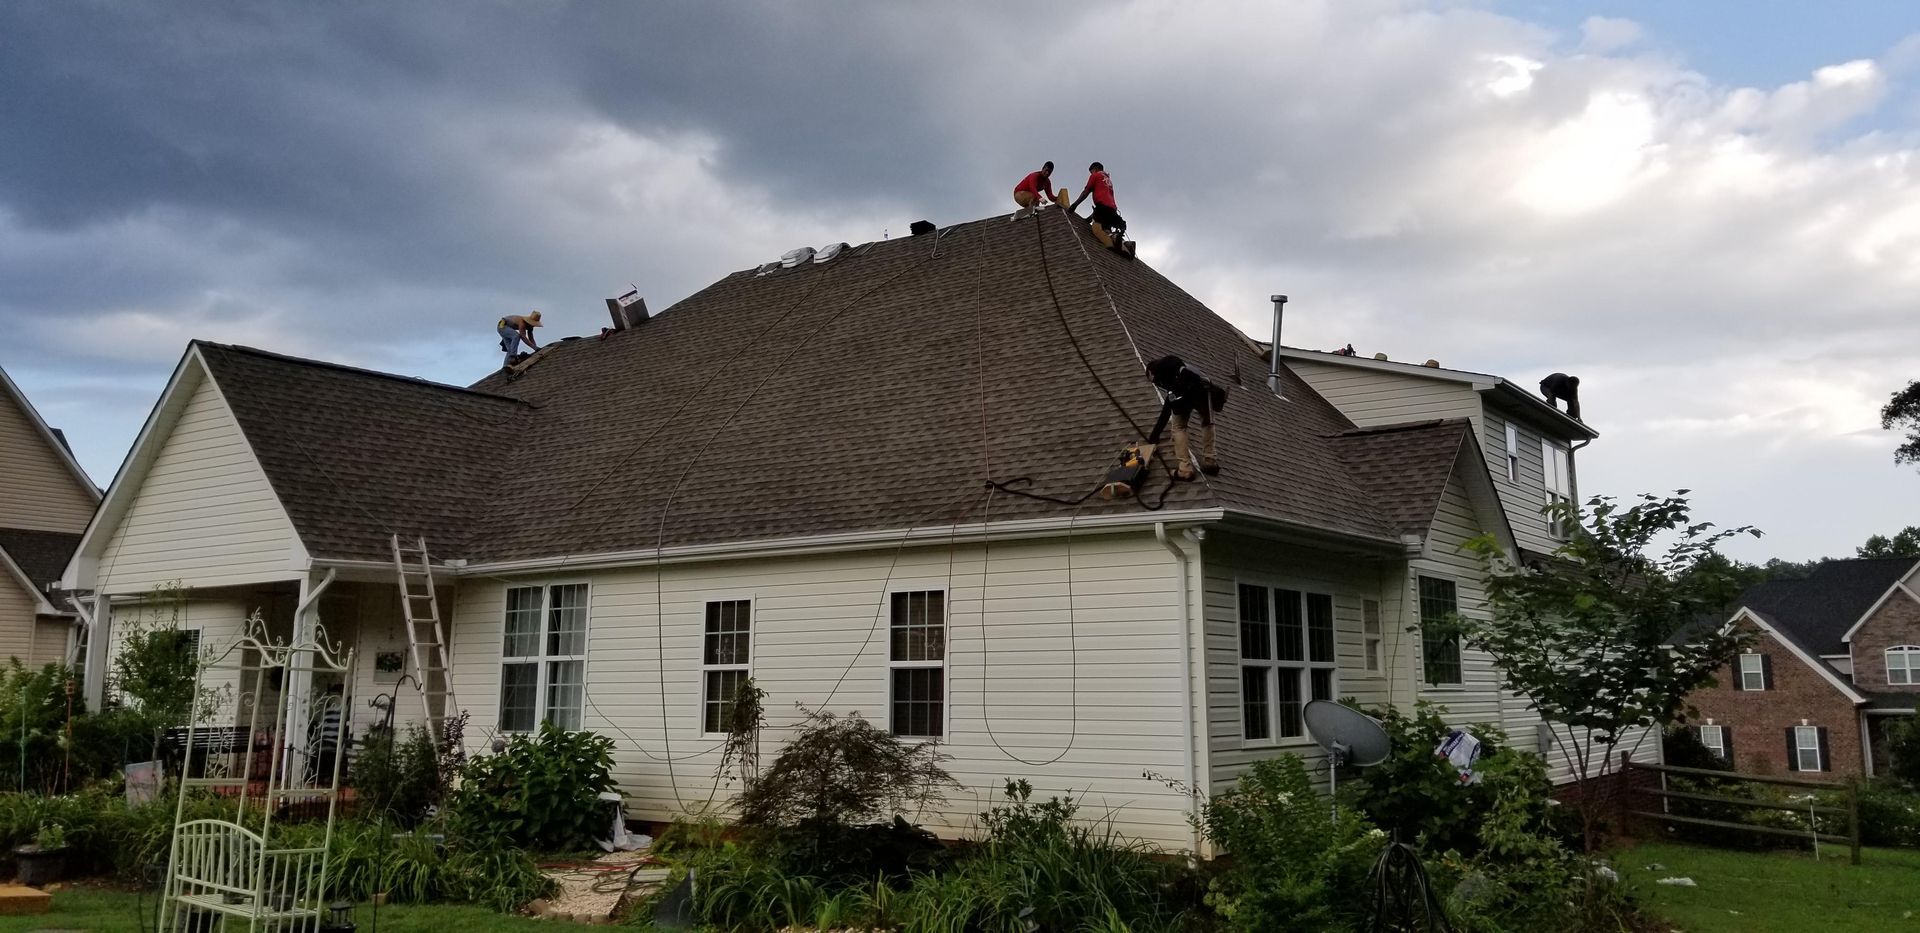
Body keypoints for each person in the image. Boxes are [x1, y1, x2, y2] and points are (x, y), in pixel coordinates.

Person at [1145, 354, 1227, 480]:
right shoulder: (1185, 371)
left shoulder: (1166, 368)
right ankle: (1210, 460)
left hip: (1186, 393)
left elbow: (1168, 407)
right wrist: (1155, 435)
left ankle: (1185, 469)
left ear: (1151, 372)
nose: (1155, 383)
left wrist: (1153, 437)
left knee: (1178, 427)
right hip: (1203, 391)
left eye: (1152, 380)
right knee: (1208, 422)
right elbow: (1167, 407)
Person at [1068, 161, 1126, 251]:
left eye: (1091, 172)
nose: (1091, 174)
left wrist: (1075, 204)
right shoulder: (1108, 180)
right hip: (1112, 211)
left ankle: (1112, 238)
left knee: (1099, 229)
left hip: (1102, 209)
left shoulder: (1095, 176)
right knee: (1107, 230)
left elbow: (1086, 192)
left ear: (1094, 169)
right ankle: (1119, 240)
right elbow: (1104, 203)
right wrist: (1089, 218)